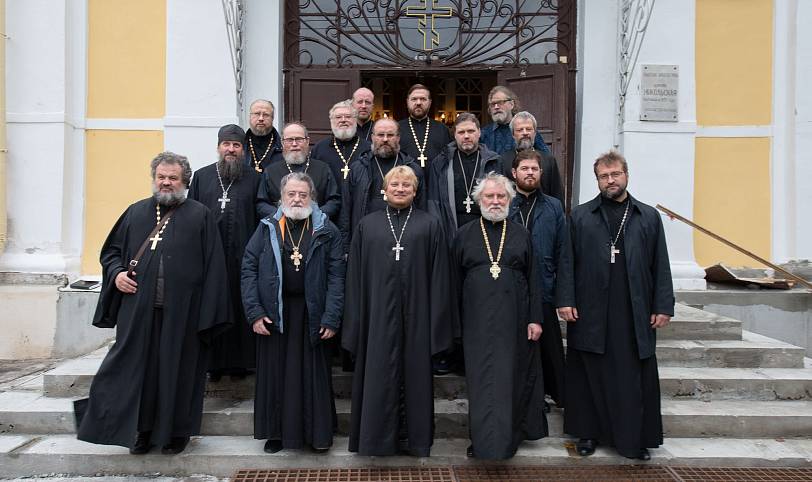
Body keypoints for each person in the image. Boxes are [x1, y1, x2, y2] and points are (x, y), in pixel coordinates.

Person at [76, 152, 230, 455]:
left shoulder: (200, 215)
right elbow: (110, 253)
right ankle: (140, 432)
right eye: (161, 177)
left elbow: (215, 267)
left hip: (183, 315)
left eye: (173, 178)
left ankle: (176, 434)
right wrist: (117, 274)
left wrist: (208, 315)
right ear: (154, 178)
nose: (167, 183)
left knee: (178, 373)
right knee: (136, 373)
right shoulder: (135, 213)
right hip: (138, 312)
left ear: (184, 180)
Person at [557, 149, 674, 461]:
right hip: (591, 309)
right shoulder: (580, 216)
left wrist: (663, 305)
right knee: (587, 375)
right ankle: (588, 434)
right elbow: (567, 260)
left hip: (633, 309)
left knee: (631, 377)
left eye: (615, 174)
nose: (610, 180)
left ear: (626, 175)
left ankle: (634, 438)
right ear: (597, 181)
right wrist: (565, 299)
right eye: (603, 176)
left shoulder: (648, 216)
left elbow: (660, 264)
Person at [342, 165, 454, 457]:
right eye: (395, 184)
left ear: (416, 191)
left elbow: (441, 277)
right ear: (384, 189)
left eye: (407, 185)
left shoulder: (430, 225)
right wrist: (355, 323)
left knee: (415, 380)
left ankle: (414, 441)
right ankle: (375, 441)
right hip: (377, 319)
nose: (401, 189)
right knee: (377, 377)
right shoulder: (367, 225)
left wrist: (437, 327)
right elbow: (354, 277)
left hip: (418, 317)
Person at [241, 172, 345, 454]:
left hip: (313, 311)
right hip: (276, 313)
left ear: (312, 198)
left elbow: (337, 276)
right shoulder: (267, 227)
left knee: (312, 376)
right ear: (281, 198)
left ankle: (317, 435)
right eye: (291, 194)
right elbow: (248, 269)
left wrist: (331, 316)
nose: (297, 199)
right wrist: (255, 312)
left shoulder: (327, 229)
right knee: (277, 375)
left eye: (303, 194)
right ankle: (277, 434)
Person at [454, 172, 547, 459]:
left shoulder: (521, 234)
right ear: (478, 200)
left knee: (511, 380)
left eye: (501, 196)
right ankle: (482, 441)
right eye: (489, 196)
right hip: (475, 322)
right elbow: (453, 281)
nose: (495, 201)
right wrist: (455, 324)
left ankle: (509, 439)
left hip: (514, 320)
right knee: (481, 383)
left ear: (509, 200)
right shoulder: (463, 234)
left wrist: (535, 318)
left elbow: (534, 279)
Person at [188, 124, 260, 381]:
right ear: (219, 147)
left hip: (244, 257)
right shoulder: (202, 176)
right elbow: (191, 216)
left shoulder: (254, 178)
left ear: (243, 149)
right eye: (226, 144)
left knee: (240, 307)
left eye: (236, 145)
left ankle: (240, 363)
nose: (231, 149)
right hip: (210, 258)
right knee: (213, 306)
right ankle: (213, 364)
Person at [508, 149, 569, 411]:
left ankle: (557, 393)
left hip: (544, 285)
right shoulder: (505, 203)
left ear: (541, 173)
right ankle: (529, 396)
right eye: (524, 169)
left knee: (548, 347)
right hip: (513, 288)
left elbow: (563, 252)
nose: (529, 173)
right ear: (514, 173)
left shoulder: (553, 206)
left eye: (534, 169)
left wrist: (563, 294)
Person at [339, 117, 424, 251]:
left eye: (390, 135)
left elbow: (421, 207)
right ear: (372, 137)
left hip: (404, 239)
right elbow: (346, 209)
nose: (385, 139)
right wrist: (346, 247)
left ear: (398, 138)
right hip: (367, 239)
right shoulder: (358, 168)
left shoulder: (413, 169)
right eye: (380, 135)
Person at [427, 112, 503, 244]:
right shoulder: (441, 162)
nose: (466, 136)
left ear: (479, 132)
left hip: (486, 228)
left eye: (471, 131)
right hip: (451, 229)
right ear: (454, 135)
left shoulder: (494, 161)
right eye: (461, 132)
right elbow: (434, 202)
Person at [256, 122, 340, 220]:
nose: (294, 144)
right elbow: (261, 203)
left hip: (315, 228)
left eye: (299, 139)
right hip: (280, 228)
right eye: (289, 140)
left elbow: (334, 201)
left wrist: (316, 215)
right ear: (282, 143)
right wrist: (281, 215)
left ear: (307, 141)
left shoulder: (323, 169)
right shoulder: (271, 171)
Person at [500, 111, 564, 203]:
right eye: (520, 130)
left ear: (534, 133)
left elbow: (557, 193)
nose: (525, 133)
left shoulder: (548, 159)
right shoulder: (502, 160)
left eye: (529, 129)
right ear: (513, 135)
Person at [311, 99, 371, 187]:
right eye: (338, 117)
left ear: (355, 120)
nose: (343, 120)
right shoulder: (319, 149)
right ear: (331, 121)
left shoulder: (368, 148)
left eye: (348, 116)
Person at [480, 86, 551, 156]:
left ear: (511, 104)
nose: (496, 107)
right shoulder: (485, 133)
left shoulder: (526, 129)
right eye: (492, 104)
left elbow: (546, 157)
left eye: (500, 102)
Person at [397, 84, 452, 170]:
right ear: (407, 102)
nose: (418, 103)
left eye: (423, 99)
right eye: (414, 99)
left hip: (435, 181)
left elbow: (449, 160)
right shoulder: (396, 128)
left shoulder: (442, 129)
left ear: (430, 102)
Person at [244, 99, 283, 173]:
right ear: (250, 117)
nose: (261, 118)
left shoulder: (282, 147)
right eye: (257, 114)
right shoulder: (241, 145)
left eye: (266, 115)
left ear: (272, 118)